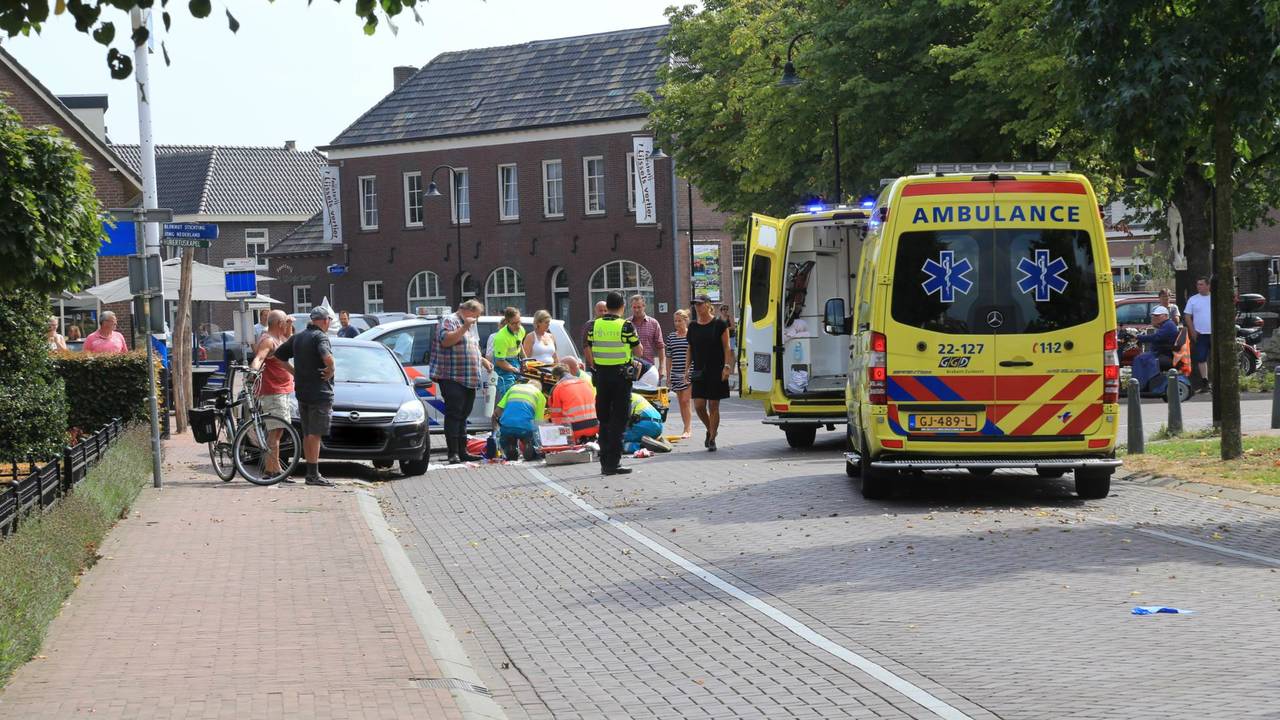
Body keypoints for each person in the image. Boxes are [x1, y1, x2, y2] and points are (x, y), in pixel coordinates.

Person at [274, 306, 336, 486]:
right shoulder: (320, 337)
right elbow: (328, 358)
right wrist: (331, 370)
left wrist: (295, 373)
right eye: (329, 320)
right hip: (320, 392)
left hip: (302, 392)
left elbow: (278, 357)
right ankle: (313, 474)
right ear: (325, 320)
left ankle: (311, 472)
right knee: (315, 434)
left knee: (308, 432)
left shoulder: (298, 337)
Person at [585, 292, 640, 475]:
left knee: (604, 420)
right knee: (619, 420)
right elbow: (639, 350)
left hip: (601, 377)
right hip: (620, 378)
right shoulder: (626, 326)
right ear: (623, 306)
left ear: (606, 306)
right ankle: (613, 463)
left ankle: (604, 462)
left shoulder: (594, 325)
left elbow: (589, 348)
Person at [431, 299, 491, 464]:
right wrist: (464, 327)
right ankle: (453, 453)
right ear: (468, 311)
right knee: (454, 413)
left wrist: (483, 360)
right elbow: (446, 341)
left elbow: (474, 345)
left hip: (469, 377)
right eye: (476, 315)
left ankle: (463, 451)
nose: (477, 319)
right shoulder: (450, 320)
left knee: (464, 414)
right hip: (452, 376)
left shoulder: (472, 325)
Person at [250, 310, 295, 478]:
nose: (286, 325)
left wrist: (289, 325)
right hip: (273, 391)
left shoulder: (277, 338)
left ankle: (275, 469)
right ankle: (272, 470)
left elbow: (288, 341)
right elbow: (259, 358)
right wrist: (252, 371)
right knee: (275, 432)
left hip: (280, 390)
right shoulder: (268, 340)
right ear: (279, 324)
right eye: (285, 322)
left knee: (278, 431)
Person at [688, 294, 732, 451]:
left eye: (700, 304)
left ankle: (712, 438)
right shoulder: (692, 326)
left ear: (708, 305)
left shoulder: (720, 324)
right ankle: (711, 428)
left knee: (713, 405)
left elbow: (727, 347)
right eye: (695, 305)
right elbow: (690, 348)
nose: (697, 307)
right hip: (699, 370)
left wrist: (727, 366)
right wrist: (687, 368)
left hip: (717, 370)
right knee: (699, 405)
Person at [493, 378, 546, 461]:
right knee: (529, 433)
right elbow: (538, 422)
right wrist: (540, 443)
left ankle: (509, 446)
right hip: (525, 427)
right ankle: (528, 444)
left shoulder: (513, 388)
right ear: (539, 389)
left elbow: (497, 411)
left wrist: (496, 430)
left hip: (507, 425)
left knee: (507, 435)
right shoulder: (540, 395)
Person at [1131, 305, 1179, 392]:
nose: (1155, 317)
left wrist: (1139, 337)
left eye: (1157, 315)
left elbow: (1156, 337)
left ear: (1165, 316)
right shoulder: (1165, 324)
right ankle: (1143, 384)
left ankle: (1139, 386)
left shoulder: (1168, 325)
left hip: (1163, 354)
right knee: (1141, 357)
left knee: (1139, 359)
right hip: (1160, 352)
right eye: (1154, 316)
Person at [546, 363, 599, 442]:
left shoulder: (558, 388)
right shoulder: (585, 383)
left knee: (549, 432)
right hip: (594, 427)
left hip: (573, 431)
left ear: (556, 377)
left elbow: (555, 415)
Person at [665, 309, 692, 438]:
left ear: (685, 321)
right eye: (675, 321)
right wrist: (668, 375)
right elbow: (669, 357)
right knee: (681, 401)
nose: (677, 323)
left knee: (686, 400)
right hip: (676, 373)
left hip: (689, 372)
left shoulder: (691, 335)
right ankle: (685, 427)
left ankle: (688, 429)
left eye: (679, 321)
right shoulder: (671, 337)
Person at [491, 307, 526, 403]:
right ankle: (505, 416)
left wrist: (525, 360)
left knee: (521, 394)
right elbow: (499, 361)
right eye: (514, 323)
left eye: (519, 322)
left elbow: (519, 345)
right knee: (509, 395)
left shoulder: (521, 330)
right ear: (507, 322)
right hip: (503, 365)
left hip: (515, 361)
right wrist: (513, 369)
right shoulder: (501, 337)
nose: (518, 325)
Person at [1184, 276, 1212, 390]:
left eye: (1201, 284)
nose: (1198, 286)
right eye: (1198, 284)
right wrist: (1193, 331)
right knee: (1201, 358)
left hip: (1213, 333)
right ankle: (1205, 381)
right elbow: (1187, 316)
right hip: (1201, 333)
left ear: (1208, 285)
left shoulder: (1214, 298)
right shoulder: (1193, 299)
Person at [629, 295, 663, 380]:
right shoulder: (627, 324)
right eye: (634, 307)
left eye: (639, 307)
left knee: (648, 393)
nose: (636, 310)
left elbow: (660, 346)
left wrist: (661, 367)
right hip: (631, 367)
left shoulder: (653, 323)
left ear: (644, 306)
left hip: (649, 369)